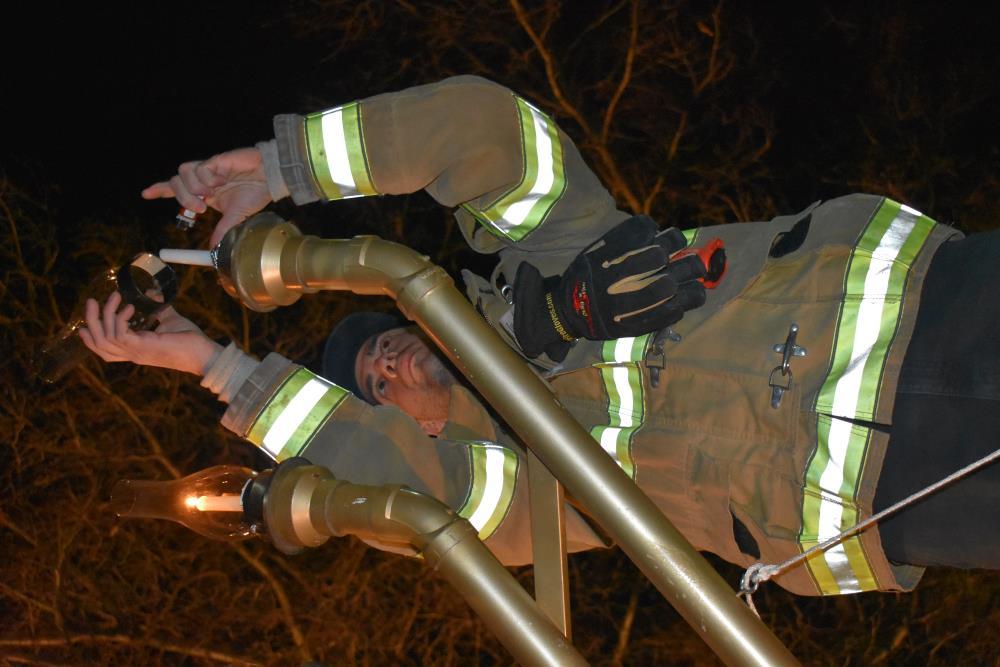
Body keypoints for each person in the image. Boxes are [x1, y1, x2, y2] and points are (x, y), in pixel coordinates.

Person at [85, 76, 1000, 596]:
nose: (393, 360)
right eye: (375, 381)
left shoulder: (550, 259)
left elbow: (485, 131)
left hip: (921, 306)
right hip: (893, 490)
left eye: (385, 340)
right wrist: (211, 361)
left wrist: (287, 165)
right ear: (405, 421)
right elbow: (401, 489)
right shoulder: (531, 499)